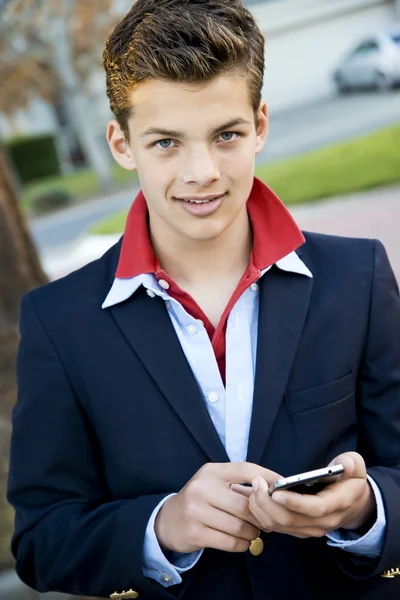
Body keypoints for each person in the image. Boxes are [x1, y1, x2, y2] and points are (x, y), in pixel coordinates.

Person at [7, 1, 400, 599]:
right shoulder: (58, 322)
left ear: (260, 126)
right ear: (121, 143)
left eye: (226, 136)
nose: (201, 172)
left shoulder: (358, 275)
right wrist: (162, 526)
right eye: (166, 142)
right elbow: (42, 541)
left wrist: (366, 509)